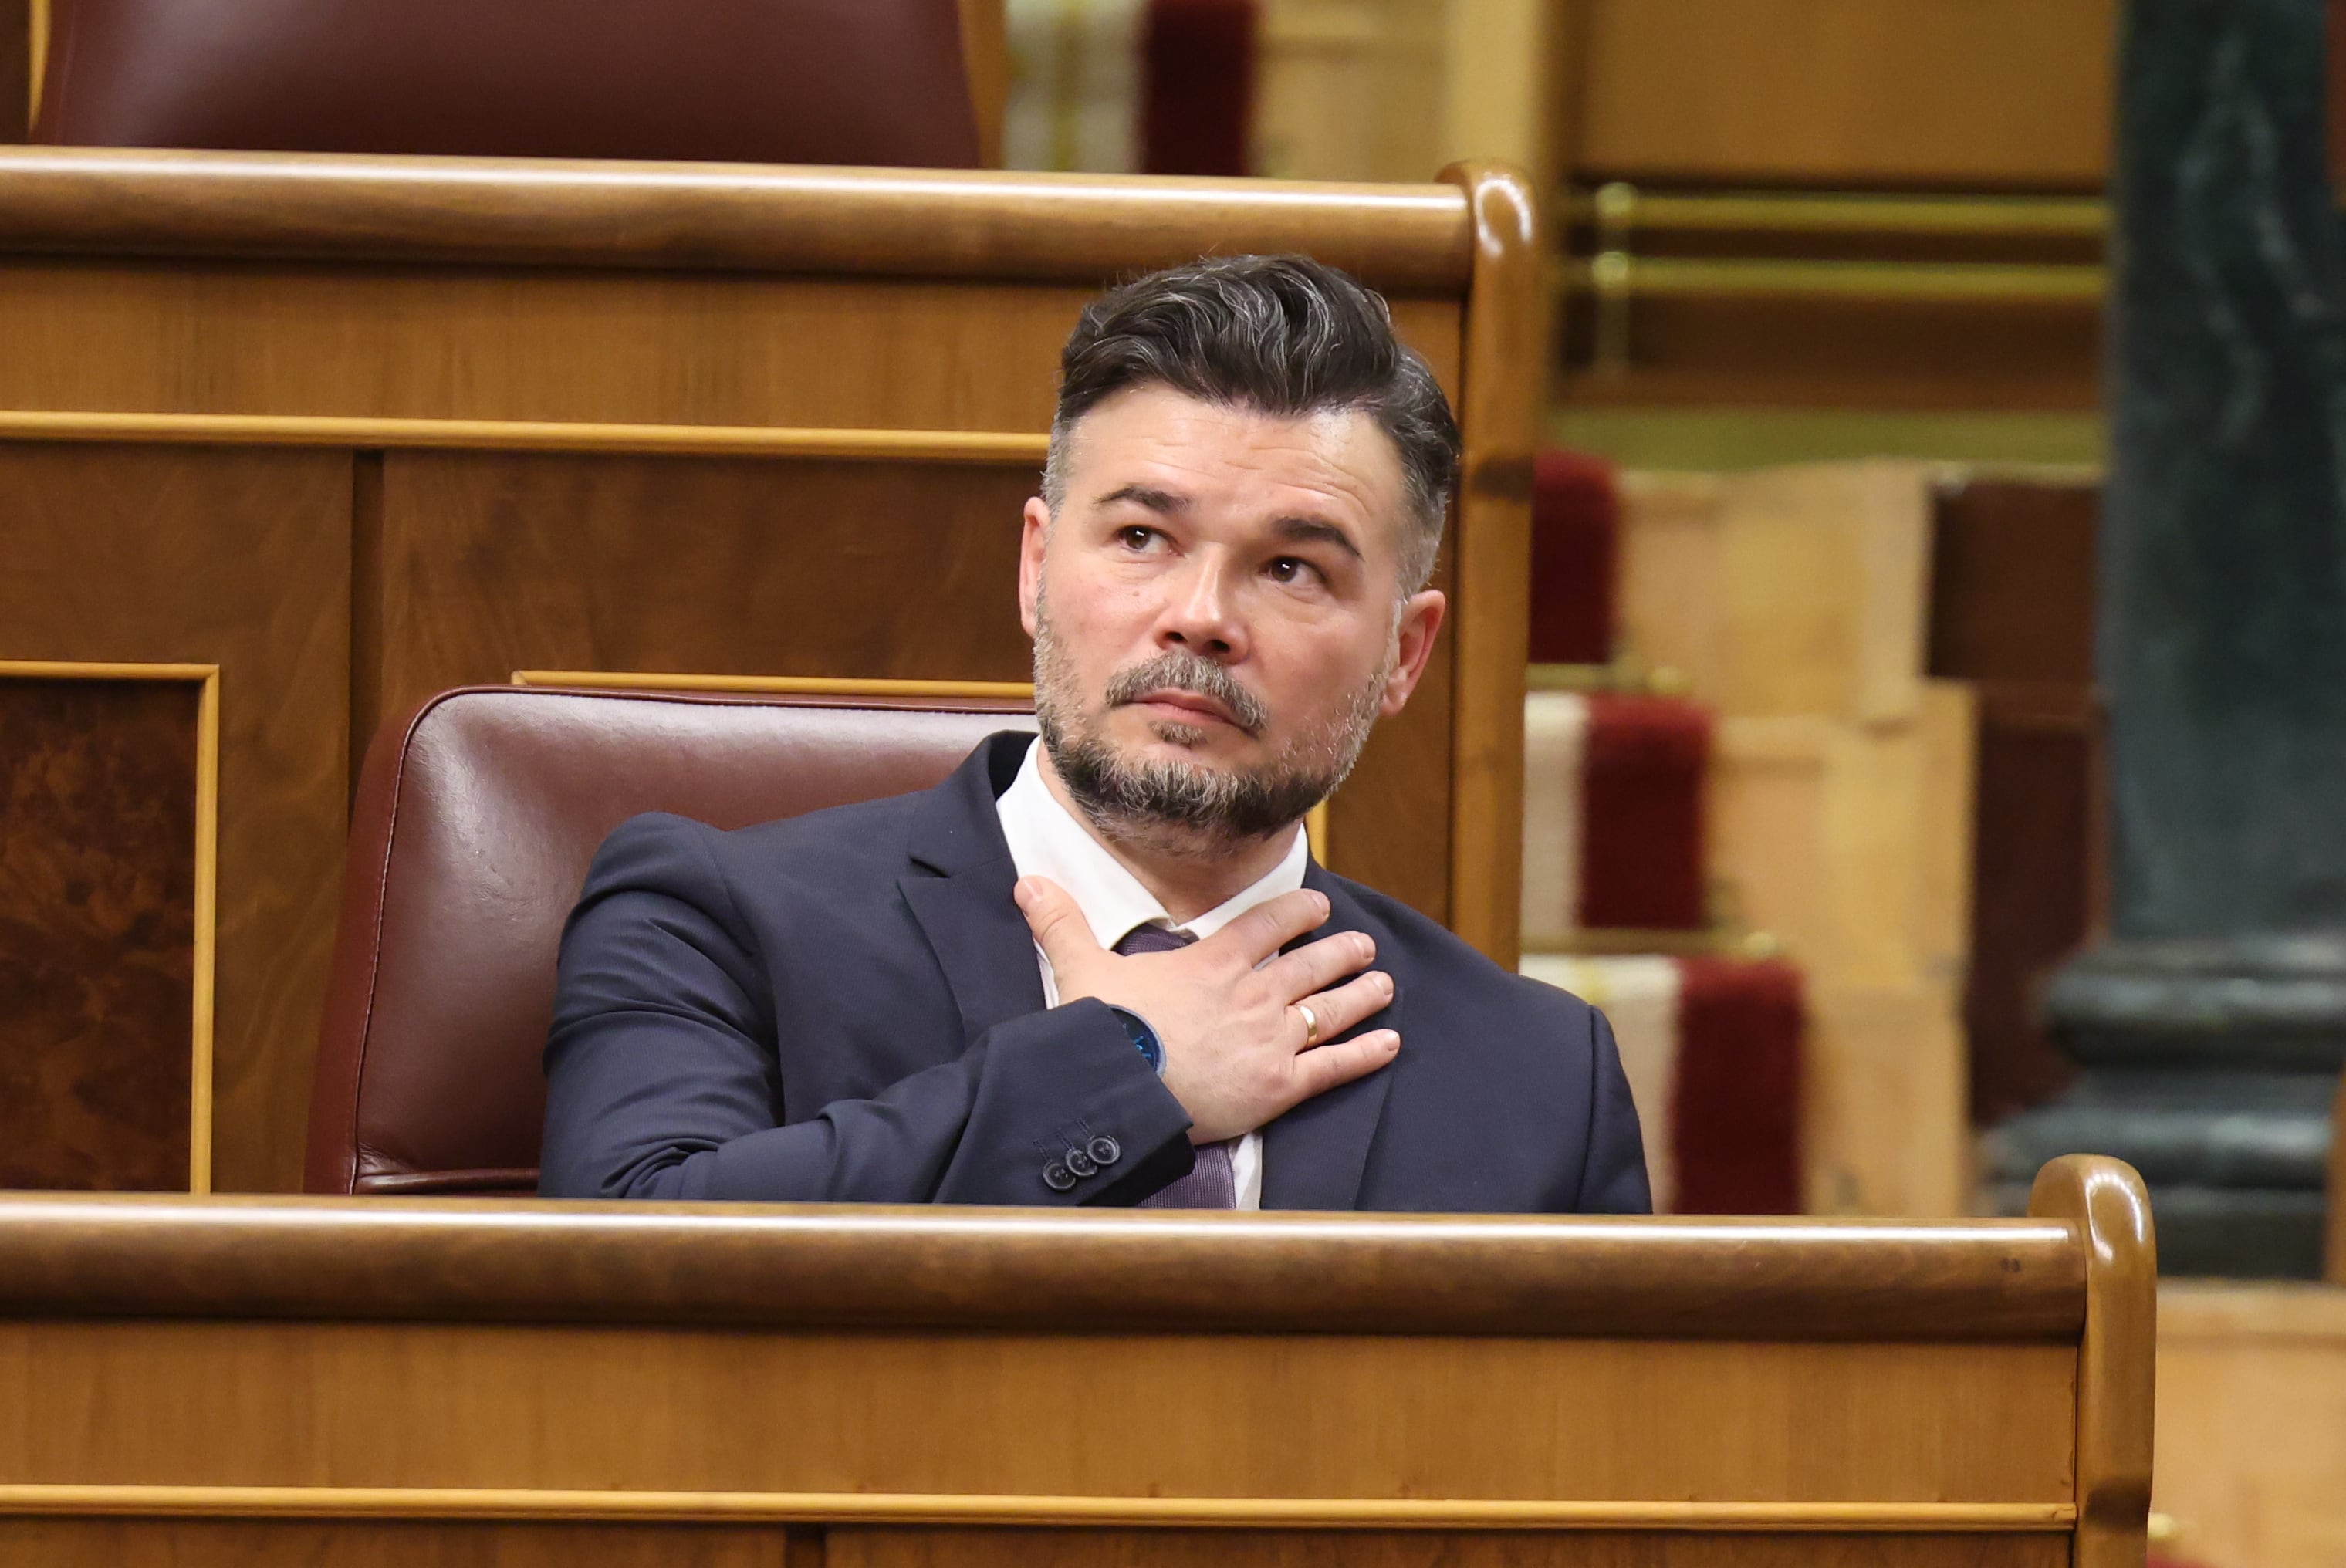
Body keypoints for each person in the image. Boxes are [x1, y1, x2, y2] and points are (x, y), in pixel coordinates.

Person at [539, 255, 1649, 1212]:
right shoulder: (716, 917)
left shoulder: (1542, 1078)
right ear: (1035, 567)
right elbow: (621, 1255)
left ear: (1405, 654)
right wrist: (1125, 1070)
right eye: (1140, 537)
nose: (1202, 616)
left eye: (1291, 567)